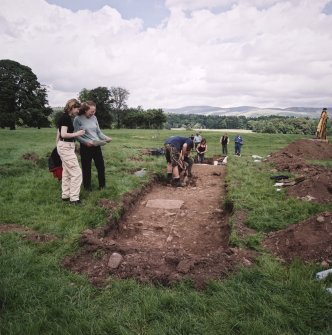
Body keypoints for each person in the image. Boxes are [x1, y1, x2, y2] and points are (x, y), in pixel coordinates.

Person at [73, 101, 112, 191]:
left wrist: (106, 138)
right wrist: (86, 142)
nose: (93, 113)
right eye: (91, 111)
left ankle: (102, 186)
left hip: (96, 145)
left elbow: (98, 132)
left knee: (101, 166)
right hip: (86, 147)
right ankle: (87, 187)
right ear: (85, 110)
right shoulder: (77, 119)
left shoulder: (94, 118)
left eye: (94, 111)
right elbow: (76, 135)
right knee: (87, 168)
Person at [56, 98, 85, 205]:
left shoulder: (65, 117)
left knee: (67, 172)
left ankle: (66, 195)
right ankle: (74, 199)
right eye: (77, 109)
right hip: (66, 147)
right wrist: (77, 133)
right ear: (72, 107)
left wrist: (57, 146)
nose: (78, 111)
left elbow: (58, 134)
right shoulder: (65, 118)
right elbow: (63, 134)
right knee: (77, 173)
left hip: (64, 146)